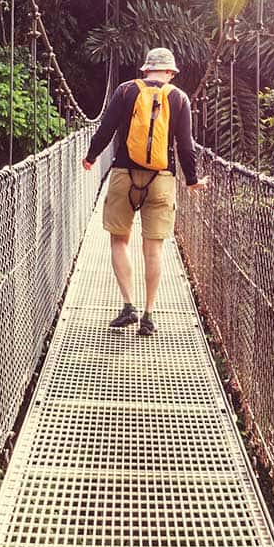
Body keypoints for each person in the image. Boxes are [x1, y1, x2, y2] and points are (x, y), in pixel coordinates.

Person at [81, 47, 207, 337]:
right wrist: (192, 180)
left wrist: (91, 156)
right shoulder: (179, 97)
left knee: (119, 240)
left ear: (146, 69)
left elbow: (106, 129)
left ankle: (128, 306)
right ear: (170, 72)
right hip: (161, 179)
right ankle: (149, 316)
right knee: (154, 249)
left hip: (123, 174)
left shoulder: (126, 90)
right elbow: (185, 145)